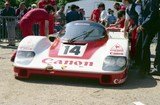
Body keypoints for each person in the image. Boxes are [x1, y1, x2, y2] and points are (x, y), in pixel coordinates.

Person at [136, 0, 159, 76]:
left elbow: (154, 13)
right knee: (144, 47)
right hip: (145, 26)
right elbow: (141, 14)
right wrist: (140, 24)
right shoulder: (142, 1)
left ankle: (145, 69)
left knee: (145, 46)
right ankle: (145, 69)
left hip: (153, 26)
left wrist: (143, 25)